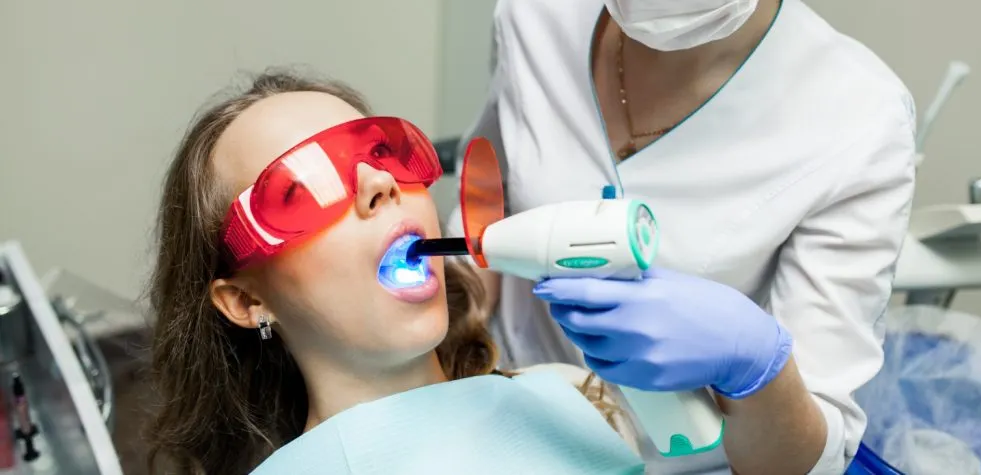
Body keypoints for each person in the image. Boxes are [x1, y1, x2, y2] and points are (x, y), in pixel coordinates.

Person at [447, 0, 917, 474]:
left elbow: (808, 460)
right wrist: (443, 299)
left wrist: (753, 369)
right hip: (504, 427)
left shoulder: (857, 120)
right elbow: (483, 202)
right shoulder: (534, 6)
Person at [143, 70, 646, 475]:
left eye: (381, 152)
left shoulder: (576, 399)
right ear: (247, 301)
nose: (379, 182)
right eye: (303, 188)